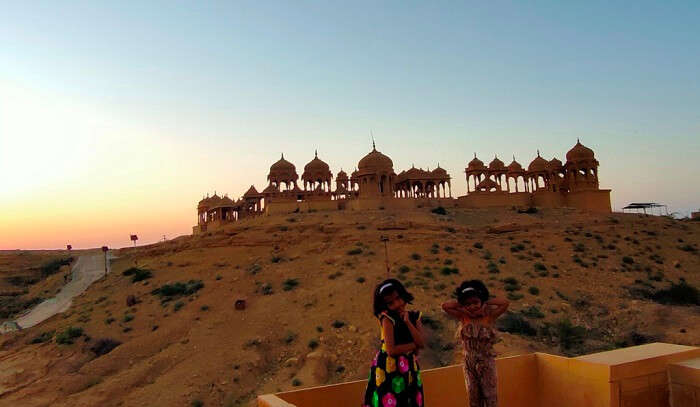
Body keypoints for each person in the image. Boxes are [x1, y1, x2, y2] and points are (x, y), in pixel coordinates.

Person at [442, 280, 509, 407]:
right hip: (469, 362)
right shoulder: (463, 317)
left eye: (475, 302)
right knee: (473, 397)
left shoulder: (489, 316)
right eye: (468, 304)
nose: (472, 306)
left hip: (486, 362)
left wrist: (484, 301)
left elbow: (505, 303)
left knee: (490, 397)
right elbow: (445, 306)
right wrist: (462, 306)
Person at [363, 278, 425, 407]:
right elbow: (391, 350)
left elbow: (422, 344)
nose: (397, 304)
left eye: (398, 298)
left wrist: (407, 322)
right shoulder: (387, 319)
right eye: (390, 303)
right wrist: (414, 345)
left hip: (409, 370)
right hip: (389, 369)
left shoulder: (414, 316)